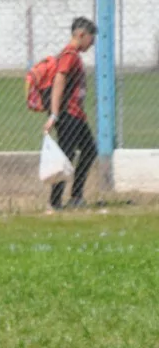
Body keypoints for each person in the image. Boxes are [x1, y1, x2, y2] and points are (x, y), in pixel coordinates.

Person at [42, 17, 98, 212]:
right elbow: (59, 81)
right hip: (68, 115)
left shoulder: (73, 54)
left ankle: (75, 196)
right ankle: (55, 202)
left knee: (89, 150)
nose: (92, 43)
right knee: (65, 156)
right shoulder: (70, 55)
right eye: (91, 38)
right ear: (81, 35)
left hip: (77, 115)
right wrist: (54, 115)